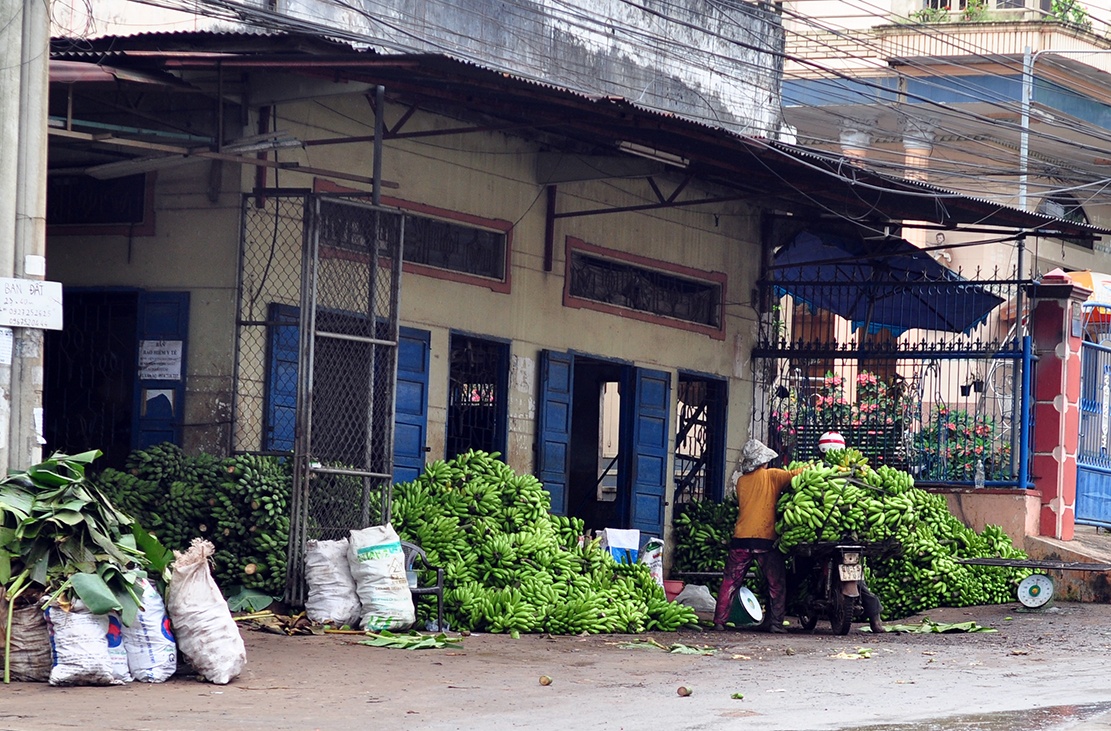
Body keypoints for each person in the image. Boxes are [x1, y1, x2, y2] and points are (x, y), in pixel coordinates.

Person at [713, 438, 803, 633]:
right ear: (763, 461)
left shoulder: (741, 481)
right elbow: (796, 474)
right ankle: (776, 624)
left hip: (741, 539)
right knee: (776, 583)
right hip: (765, 540)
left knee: (730, 582)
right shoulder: (772, 476)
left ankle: (719, 621)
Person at [817, 431, 885, 634]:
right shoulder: (858, 471)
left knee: (806, 567)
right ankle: (875, 618)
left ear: (821, 451)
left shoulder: (819, 471)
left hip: (824, 533)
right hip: (852, 535)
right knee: (860, 581)